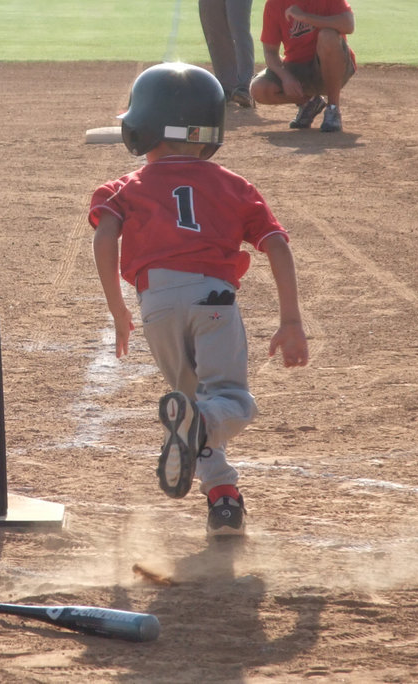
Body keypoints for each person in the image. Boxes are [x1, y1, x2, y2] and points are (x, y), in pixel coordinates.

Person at [89, 62, 309, 537]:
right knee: (230, 403)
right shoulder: (234, 185)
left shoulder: (125, 186)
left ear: (143, 125)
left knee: (190, 410)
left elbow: (105, 234)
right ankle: (202, 428)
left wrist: (117, 309)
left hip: (156, 306)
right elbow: (276, 244)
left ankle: (223, 500)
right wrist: (290, 319)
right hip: (214, 301)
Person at [248, 0, 356, 133]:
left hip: (332, 67)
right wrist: (285, 76)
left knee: (328, 36)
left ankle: (333, 109)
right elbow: (270, 52)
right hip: (297, 67)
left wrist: (305, 17)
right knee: (258, 89)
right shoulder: (274, 4)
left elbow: (348, 25)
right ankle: (309, 103)